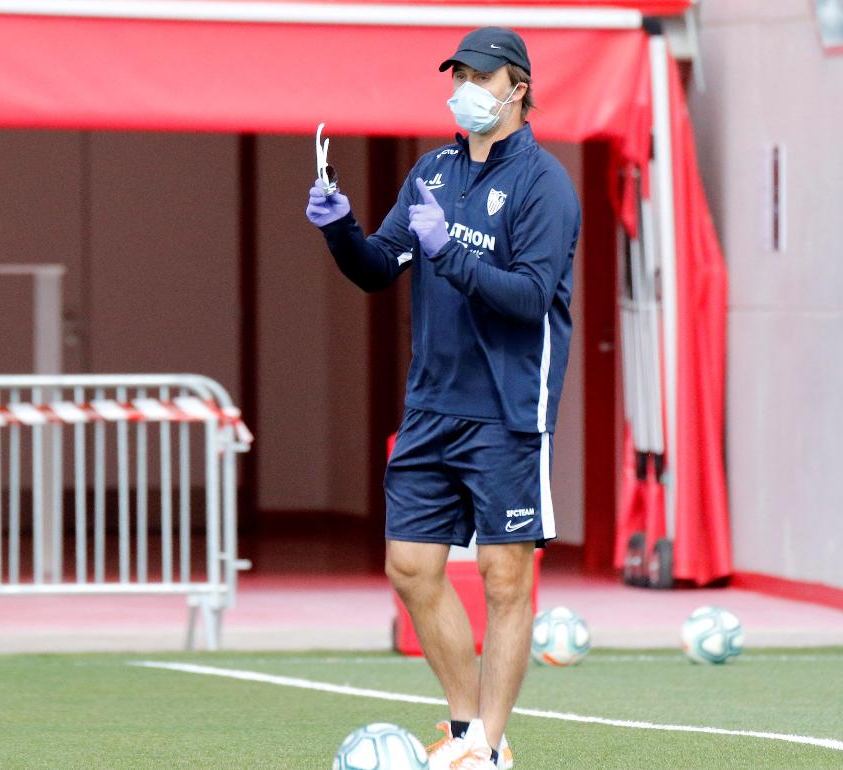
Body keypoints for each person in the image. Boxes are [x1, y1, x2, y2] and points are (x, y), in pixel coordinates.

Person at [305, 26, 580, 770]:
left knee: (503, 576)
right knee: (411, 569)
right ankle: (466, 733)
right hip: (432, 405)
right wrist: (341, 232)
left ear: (517, 87)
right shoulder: (431, 172)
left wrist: (448, 252)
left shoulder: (544, 184)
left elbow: (526, 298)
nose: (464, 89)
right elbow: (378, 268)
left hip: (508, 409)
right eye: (457, 74)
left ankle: (489, 745)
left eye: (480, 77)